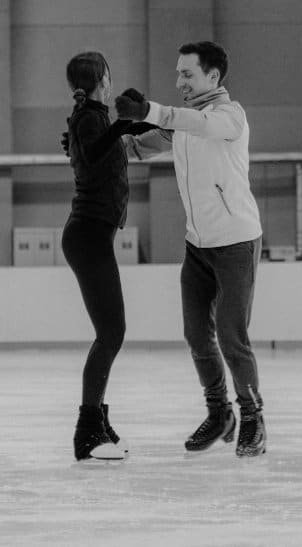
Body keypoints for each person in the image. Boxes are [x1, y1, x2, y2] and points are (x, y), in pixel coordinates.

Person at [114, 41, 266, 457]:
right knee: (197, 334)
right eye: (178, 73)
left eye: (187, 74)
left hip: (236, 243)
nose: (179, 81)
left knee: (232, 336)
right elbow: (138, 146)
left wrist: (148, 109)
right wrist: (92, 146)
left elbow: (195, 123)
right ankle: (220, 413)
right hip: (198, 245)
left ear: (213, 77)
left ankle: (252, 416)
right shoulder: (181, 125)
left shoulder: (229, 117)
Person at [60, 51, 157, 462]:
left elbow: (104, 145)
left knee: (111, 332)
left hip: (92, 236)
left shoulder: (91, 117)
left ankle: (98, 421)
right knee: (111, 334)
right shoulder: (89, 118)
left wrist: (144, 118)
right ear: (103, 80)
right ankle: (87, 432)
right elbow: (98, 151)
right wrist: (123, 122)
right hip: (87, 237)